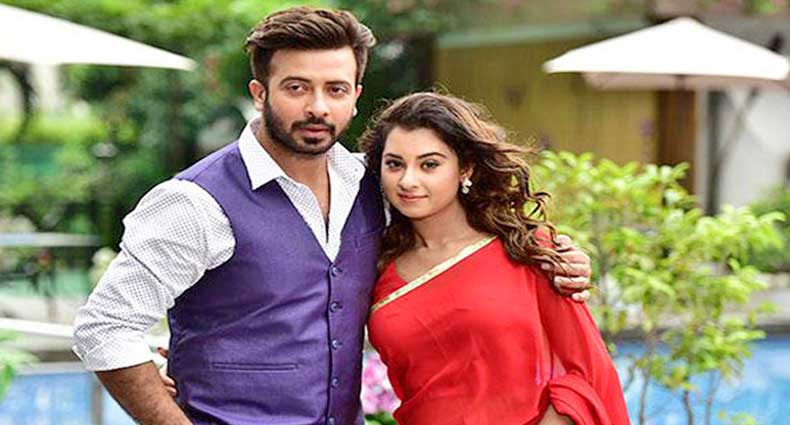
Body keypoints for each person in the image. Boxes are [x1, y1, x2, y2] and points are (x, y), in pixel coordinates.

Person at [73, 6, 593, 425]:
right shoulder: (195, 202)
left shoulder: (373, 184)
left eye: (335, 89)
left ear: (356, 97)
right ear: (259, 93)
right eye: (296, 87)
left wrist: (558, 257)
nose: (318, 107)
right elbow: (105, 326)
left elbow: (455, 239)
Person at [358, 92, 630, 424]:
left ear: (465, 168)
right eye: (394, 164)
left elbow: (586, 369)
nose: (408, 181)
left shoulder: (526, 249)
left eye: (429, 164)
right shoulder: (370, 263)